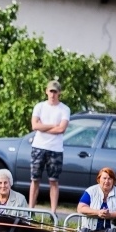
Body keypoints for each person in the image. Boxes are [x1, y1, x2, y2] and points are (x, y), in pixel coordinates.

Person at [29, 80, 70, 215]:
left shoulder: (64, 109)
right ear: (46, 91)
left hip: (55, 149)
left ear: (59, 93)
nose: (53, 94)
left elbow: (61, 129)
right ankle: (31, 210)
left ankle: (53, 212)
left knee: (54, 181)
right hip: (38, 147)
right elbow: (35, 126)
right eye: (51, 91)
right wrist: (53, 125)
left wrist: (43, 126)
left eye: (55, 91)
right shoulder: (39, 107)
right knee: (35, 179)